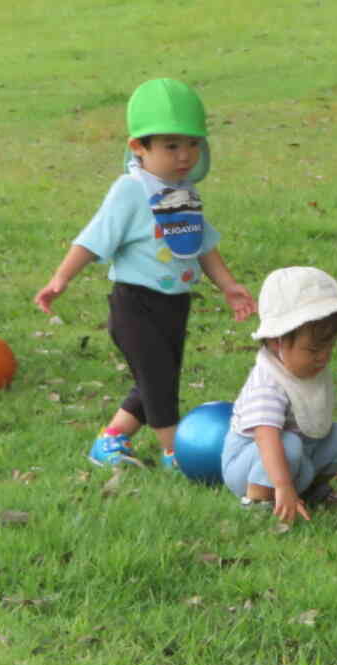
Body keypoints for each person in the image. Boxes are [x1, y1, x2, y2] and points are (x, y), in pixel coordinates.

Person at [36, 78, 255, 468]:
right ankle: (176, 451)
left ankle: (110, 440)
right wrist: (61, 277)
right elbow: (93, 237)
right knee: (158, 381)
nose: (185, 155)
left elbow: (203, 244)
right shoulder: (131, 189)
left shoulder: (185, 189)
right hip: (135, 306)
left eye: (192, 144)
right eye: (171, 145)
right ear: (139, 146)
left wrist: (229, 285)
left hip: (176, 305)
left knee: (158, 379)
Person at [222, 268, 337, 523]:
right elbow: (266, 437)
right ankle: (259, 501)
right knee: (288, 446)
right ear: (277, 342)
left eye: (331, 346)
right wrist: (283, 485)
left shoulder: (308, 366)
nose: (324, 356)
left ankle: (312, 491)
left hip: (294, 452)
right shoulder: (269, 382)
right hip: (251, 463)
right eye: (314, 349)